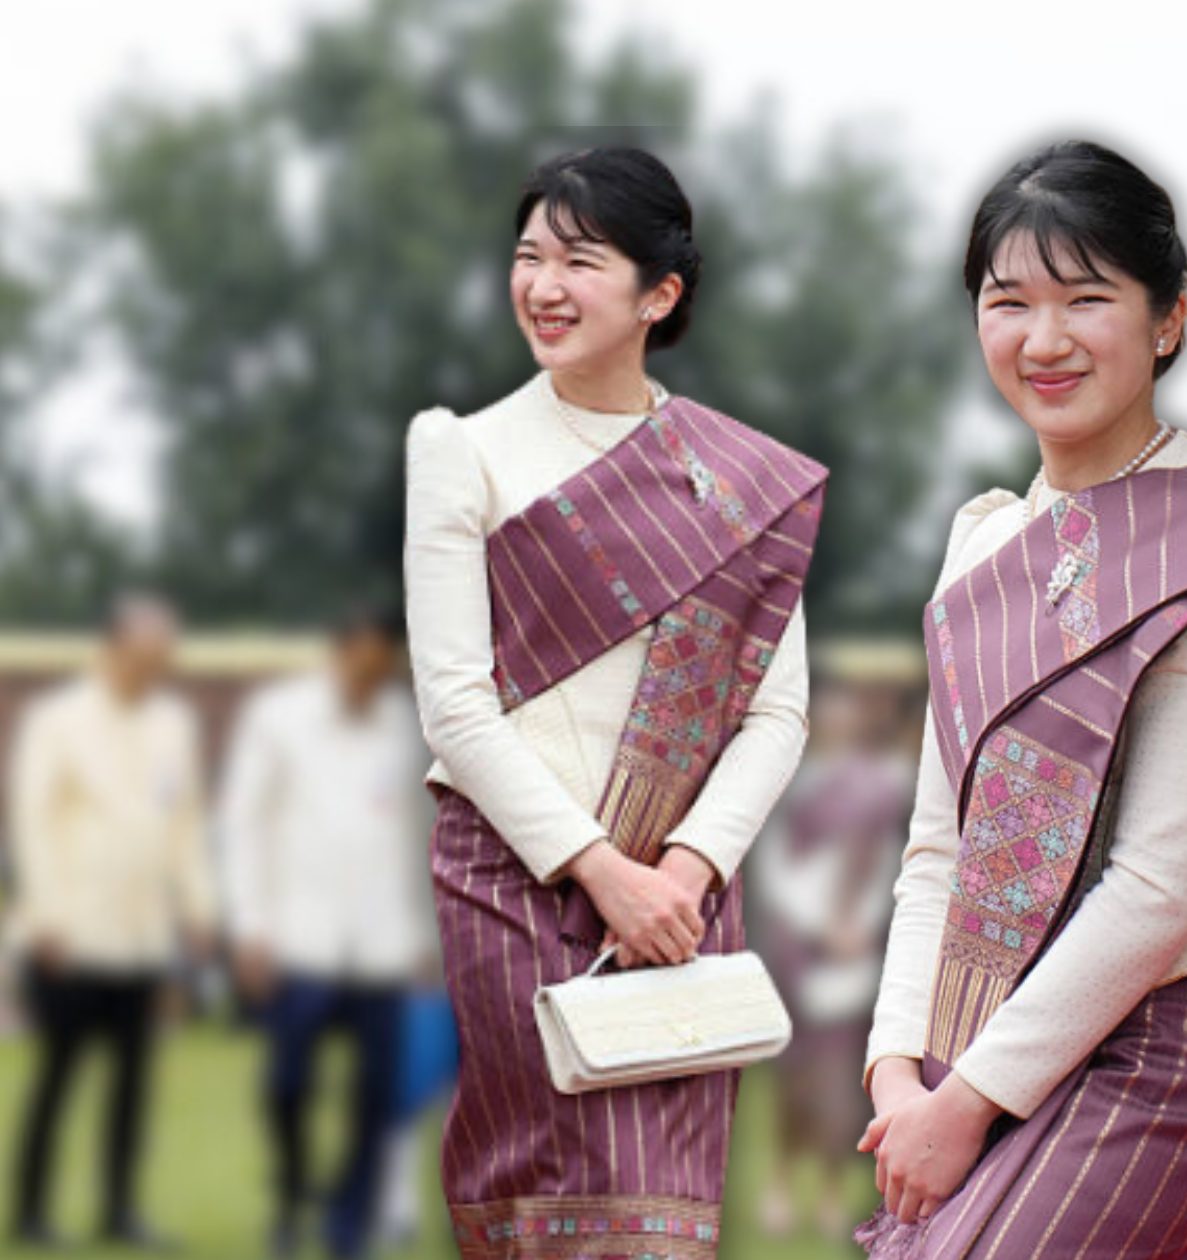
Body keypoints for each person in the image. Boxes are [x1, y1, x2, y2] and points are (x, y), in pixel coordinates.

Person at [857, 140, 1187, 1260]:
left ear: (1167, 319)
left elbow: (1156, 890)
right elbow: (938, 849)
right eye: (1009, 303)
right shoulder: (985, 545)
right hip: (978, 1035)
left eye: (1086, 299)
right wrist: (897, 1069)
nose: (1044, 340)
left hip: (1158, 1053)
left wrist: (965, 1101)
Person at [404, 146, 826, 1259]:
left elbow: (776, 714)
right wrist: (603, 873)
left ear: (659, 294)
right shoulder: (462, 451)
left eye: (579, 261)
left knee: (660, 1223)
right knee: (551, 1211)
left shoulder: (741, 483)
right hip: (519, 883)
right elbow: (455, 707)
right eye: (528, 257)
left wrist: (681, 873)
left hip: (683, 902)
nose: (543, 286)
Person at [218, 607, 430, 1258]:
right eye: (363, 663)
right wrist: (250, 926)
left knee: (376, 1095)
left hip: (383, 947)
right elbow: (243, 825)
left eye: (382, 667)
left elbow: (419, 835)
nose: (372, 677)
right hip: (299, 941)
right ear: (339, 653)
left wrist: (425, 937)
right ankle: (290, 1198)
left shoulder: (404, 727)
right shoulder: (279, 718)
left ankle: (347, 1224)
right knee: (287, 1085)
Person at [4, 593, 213, 1250]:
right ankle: (30, 1214)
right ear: (116, 645)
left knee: (133, 1082)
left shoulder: (175, 724)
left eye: (165, 652)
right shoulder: (58, 719)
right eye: (149, 650)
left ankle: (120, 1211)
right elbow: (32, 821)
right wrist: (46, 916)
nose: (159, 662)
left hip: (142, 937)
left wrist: (199, 906)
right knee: (58, 1076)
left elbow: (184, 825)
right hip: (68, 934)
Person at [750, 664, 915, 1241]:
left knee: (839, 1076)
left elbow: (890, 859)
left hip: (855, 947)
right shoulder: (796, 783)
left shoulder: (888, 783)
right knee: (794, 1076)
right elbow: (774, 861)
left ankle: (824, 1187)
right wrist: (815, 920)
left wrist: (856, 926)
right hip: (799, 943)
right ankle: (779, 1178)